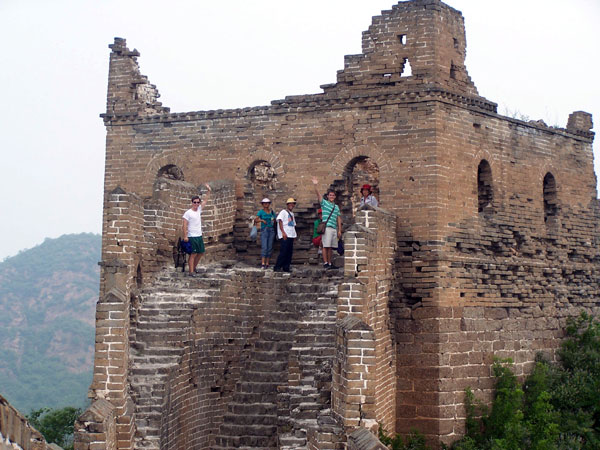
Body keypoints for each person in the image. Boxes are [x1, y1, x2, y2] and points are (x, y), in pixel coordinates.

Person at [312, 177, 342, 269]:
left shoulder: (336, 207)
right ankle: (325, 263)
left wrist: (339, 230)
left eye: (333, 195)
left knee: (331, 247)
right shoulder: (324, 203)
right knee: (326, 246)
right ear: (328, 196)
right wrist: (315, 185)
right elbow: (318, 195)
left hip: (333, 228)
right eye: (330, 195)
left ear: (335, 197)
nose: (332, 196)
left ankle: (329, 263)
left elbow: (338, 218)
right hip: (327, 227)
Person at [182, 184, 211, 275]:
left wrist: (208, 191)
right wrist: (185, 236)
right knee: (193, 254)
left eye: (198, 202)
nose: (196, 204)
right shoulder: (188, 213)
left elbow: (206, 200)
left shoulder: (199, 210)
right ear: (192, 203)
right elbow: (184, 225)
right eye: (194, 202)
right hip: (192, 236)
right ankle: (191, 271)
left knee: (201, 252)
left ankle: (194, 268)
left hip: (199, 235)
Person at [273, 198, 297, 273]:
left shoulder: (292, 214)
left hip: (291, 235)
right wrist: (283, 232)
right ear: (287, 205)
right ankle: (277, 266)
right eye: (290, 203)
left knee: (289, 252)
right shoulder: (283, 212)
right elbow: (280, 221)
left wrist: (294, 235)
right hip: (285, 234)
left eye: (292, 204)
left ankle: (286, 267)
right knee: (283, 251)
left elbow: (293, 225)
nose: (291, 205)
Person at [255, 198, 276, 269]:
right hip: (264, 230)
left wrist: (273, 220)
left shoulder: (272, 212)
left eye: (267, 203)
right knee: (264, 247)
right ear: (262, 204)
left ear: (269, 204)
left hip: (271, 230)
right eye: (264, 203)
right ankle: (263, 263)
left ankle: (267, 263)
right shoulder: (261, 212)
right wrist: (262, 220)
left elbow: (275, 220)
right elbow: (256, 219)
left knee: (269, 247)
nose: (266, 204)